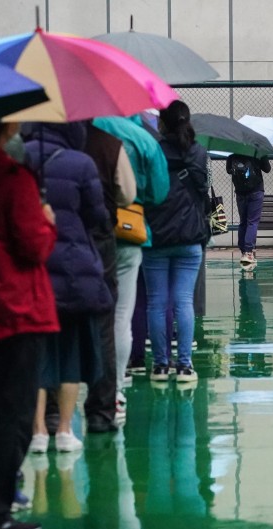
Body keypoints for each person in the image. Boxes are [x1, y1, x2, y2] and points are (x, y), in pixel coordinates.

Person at [0, 120, 58, 529]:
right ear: (5, 125)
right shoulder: (12, 178)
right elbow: (33, 245)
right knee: (9, 414)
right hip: (12, 310)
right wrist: (46, 219)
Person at [24, 122, 114, 455]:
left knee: (37, 352)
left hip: (34, 266)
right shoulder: (81, 163)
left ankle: (36, 432)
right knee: (72, 351)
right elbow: (97, 216)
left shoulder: (19, 159)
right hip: (75, 270)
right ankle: (64, 429)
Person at [91, 116, 171, 420]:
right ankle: (117, 389)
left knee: (85, 314)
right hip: (127, 231)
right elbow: (158, 191)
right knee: (122, 313)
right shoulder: (140, 137)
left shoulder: (74, 132)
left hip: (81, 233)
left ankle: (83, 389)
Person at [143, 100, 210, 385]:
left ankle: (160, 366)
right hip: (190, 237)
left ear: (161, 123)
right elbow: (203, 189)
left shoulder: (152, 151)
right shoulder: (198, 152)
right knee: (184, 301)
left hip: (156, 236)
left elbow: (146, 190)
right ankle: (184, 366)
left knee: (156, 302)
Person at [83, 122, 137, 433]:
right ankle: (104, 403)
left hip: (53, 239)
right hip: (104, 238)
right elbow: (128, 194)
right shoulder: (111, 144)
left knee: (55, 322)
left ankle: (48, 417)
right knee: (110, 316)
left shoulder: (36, 142)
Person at [226, 152, 271, 266]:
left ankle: (243, 251)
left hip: (240, 191)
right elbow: (267, 169)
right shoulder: (257, 149)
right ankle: (248, 251)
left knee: (243, 222)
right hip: (256, 190)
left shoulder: (233, 151)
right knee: (252, 222)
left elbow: (228, 170)